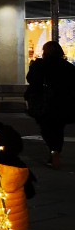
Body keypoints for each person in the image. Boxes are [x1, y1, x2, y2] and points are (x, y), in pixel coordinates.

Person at [25, 40, 75, 169]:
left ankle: (53, 150)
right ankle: (56, 151)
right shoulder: (68, 67)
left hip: (44, 102)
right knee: (59, 129)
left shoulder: (40, 65)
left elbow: (31, 80)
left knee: (46, 128)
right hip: (62, 103)